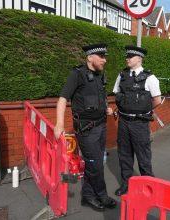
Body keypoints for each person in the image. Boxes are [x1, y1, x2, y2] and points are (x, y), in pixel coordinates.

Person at [54, 43, 116, 211]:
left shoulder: (99, 76)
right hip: (86, 130)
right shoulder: (77, 74)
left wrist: (106, 109)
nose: (105, 60)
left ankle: (88, 196)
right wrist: (59, 123)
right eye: (101, 57)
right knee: (95, 165)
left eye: (105, 56)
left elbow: (98, 99)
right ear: (90, 57)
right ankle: (102, 195)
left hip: (101, 126)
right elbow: (62, 99)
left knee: (94, 164)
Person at [113, 45, 162, 196]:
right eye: (127, 56)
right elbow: (117, 94)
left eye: (131, 56)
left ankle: (149, 187)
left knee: (143, 157)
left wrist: (143, 111)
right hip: (123, 122)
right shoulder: (121, 75)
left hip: (140, 123)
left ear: (139, 59)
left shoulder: (150, 78)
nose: (127, 58)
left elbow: (157, 100)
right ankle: (126, 184)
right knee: (124, 155)